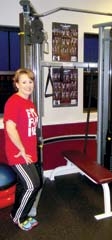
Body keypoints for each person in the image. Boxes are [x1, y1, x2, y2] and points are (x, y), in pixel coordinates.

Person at [3, 68, 41, 231]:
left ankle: (16, 213)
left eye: (30, 81)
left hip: (29, 151)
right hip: (19, 153)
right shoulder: (14, 101)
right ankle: (20, 217)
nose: (28, 85)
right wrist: (22, 149)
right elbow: (10, 128)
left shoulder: (29, 103)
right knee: (33, 184)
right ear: (16, 84)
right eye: (24, 82)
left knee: (25, 185)